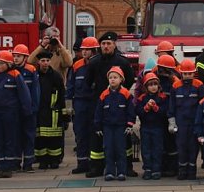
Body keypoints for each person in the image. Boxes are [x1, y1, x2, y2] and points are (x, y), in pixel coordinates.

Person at [85, 31, 135, 178]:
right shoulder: (94, 62)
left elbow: (130, 79)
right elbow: (88, 82)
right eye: (103, 44)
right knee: (97, 138)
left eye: (108, 44)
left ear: (114, 44)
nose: (106, 46)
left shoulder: (123, 62)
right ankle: (96, 167)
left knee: (123, 139)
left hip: (120, 106)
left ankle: (126, 167)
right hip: (100, 104)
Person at [0, 51, 32, 178]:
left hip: (11, 112)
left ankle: (8, 167)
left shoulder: (15, 75)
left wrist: (27, 111)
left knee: (10, 139)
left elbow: (24, 95)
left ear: (8, 64)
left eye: (1, 63)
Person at [94, 67, 135, 182]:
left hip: (121, 127)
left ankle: (122, 171)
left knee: (120, 149)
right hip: (107, 127)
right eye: (110, 78)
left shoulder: (126, 94)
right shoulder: (104, 95)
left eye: (115, 77)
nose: (112, 80)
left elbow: (130, 111)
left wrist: (130, 124)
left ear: (121, 79)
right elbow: (99, 111)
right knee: (108, 149)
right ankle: (110, 172)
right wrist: (97, 126)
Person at [66, 36, 99, 174]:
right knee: (80, 133)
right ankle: (82, 163)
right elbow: (70, 85)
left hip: (93, 103)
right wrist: (68, 105)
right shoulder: (77, 65)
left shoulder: (97, 64)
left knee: (93, 134)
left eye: (87, 50)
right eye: (83, 50)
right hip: (79, 103)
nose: (84, 52)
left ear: (94, 51)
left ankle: (93, 163)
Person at [168, 58, 202, 180]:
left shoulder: (199, 85)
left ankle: (192, 171)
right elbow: (171, 105)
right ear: (181, 73)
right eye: (185, 74)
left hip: (194, 122)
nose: (187, 76)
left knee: (193, 147)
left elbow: (202, 104)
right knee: (181, 146)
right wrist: (171, 122)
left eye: (190, 73)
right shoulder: (175, 86)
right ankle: (182, 170)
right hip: (181, 123)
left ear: (194, 73)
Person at [35, 51, 66, 170]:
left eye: (47, 61)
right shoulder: (35, 75)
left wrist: (63, 113)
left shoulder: (56, 76)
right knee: (40, 138)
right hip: (39, 112)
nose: (45, 63)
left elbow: (62, 94)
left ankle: (54, 160)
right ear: (38, 62)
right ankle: (42, 161)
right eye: (43, 61)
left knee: (55, 138)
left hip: (53, 112)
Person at [135, 72, 169, 180]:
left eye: (155, 84)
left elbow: (165, 112)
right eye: (150, 85)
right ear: (146, 87)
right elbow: (138, 112)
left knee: (157, 149)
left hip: (158, 127)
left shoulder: (162, 97)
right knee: (146, 149)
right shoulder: (142, 98)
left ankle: (156, 169)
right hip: (145, 127)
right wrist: (146, 108)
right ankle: (148, 169)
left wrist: (156, 108)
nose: (153, 87)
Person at [12, 44, 40, 172]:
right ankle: (16, 162)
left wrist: (34, 108)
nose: (16, 59)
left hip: (29, 110)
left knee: (29, 136)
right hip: (15, 110)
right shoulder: (11, 71)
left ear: (25, 57)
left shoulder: (31, 70)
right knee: (15, 137)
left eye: (18, 56)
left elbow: (36, 91)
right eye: (14, 56)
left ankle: (28, 163)